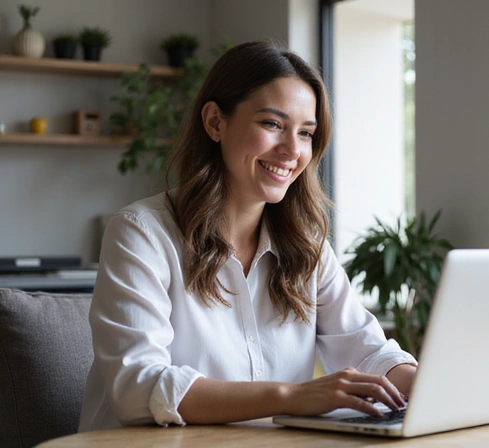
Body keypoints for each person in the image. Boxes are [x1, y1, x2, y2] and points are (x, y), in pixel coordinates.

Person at [78, 40, 417, 431]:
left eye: (306, 133)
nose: (292, 150)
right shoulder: (141, 234)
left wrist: (433, 384)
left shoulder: (306, 247)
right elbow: (138, 389)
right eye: (272, 124)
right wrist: (291, 396)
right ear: (215, 122)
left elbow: (369, 351)